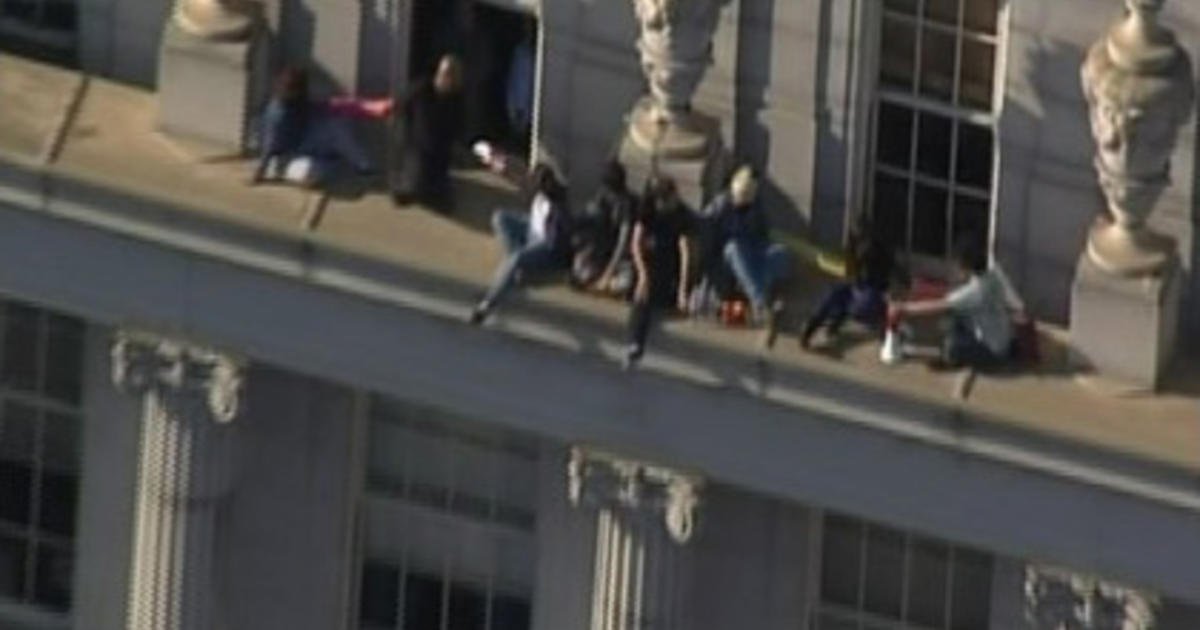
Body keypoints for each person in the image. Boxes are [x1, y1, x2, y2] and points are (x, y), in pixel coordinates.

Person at [469, 156, 572, 324]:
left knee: (516, 259)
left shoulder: (558, 205)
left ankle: (488, 303)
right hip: (531, 229)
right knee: (500, 217)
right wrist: (498, 166)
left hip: (545, 244)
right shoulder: (536, 191)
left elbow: (555, 242)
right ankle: (512, 274)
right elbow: (518, 178)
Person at [887, 237, 1014, 370]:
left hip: (992, 351)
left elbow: (939, 305)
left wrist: (904, 309)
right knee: (956, 318)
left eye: (957, 263)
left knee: (951, 345)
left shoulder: (975, 290)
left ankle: (950, 358)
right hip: (1002, 341)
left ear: (965, 264)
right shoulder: (993, 275)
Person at [251, 67, 392, 187]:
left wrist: (370, 108)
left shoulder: (299, 101)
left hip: (303, 140)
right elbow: (269, 147)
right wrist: (259, 174)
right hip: (283, 158)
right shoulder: (277, 113)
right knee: (307, 171)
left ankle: (365, 168)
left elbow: (332, 106)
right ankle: (328, 163)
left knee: (337, 126)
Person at [701, 165, 790, 341]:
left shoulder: (755, 206)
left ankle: (760, 295)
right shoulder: (719, 206)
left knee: (780, 254)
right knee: (734, 248)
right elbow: (705, 236)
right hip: (727, 258)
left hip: (752, 250)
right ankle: (760, 304)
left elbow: (763, 234)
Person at [625, 176, 695, 369]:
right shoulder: (647, 209)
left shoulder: (682, 215)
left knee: (646, 298)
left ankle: (637, 340)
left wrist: (683, 290)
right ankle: (635, 340)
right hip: (646, 263)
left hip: (666, 266)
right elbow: (635, 243)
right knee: (641, 293)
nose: (668, 205)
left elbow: (685, 253)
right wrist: (642, 274)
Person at [800, 221, 896, 349]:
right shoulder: (868, 248)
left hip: (870, 296)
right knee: (839, 296)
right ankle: (823, 329)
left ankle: (817, 330)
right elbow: (855, 273)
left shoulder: (871, 250)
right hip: (868, 294)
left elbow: (858, 273)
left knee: (839, 299)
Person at [393, 55, 464, 210]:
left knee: (438, 195)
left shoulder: (455, 99)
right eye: (444, 73)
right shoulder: (421, 89)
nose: (446, 79)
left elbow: (456, 126)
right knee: (415, 181)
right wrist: (406, 133)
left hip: (439, 151)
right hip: (417, 146)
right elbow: (401, 106)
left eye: (451, 76)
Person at [570, 160, 636, 296]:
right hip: (600, 251)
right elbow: (590, 223)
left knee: (625, 282)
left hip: (621, 256)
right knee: (579, 267)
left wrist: (609, 272)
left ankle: (604, 283)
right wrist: (586, 251)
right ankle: (598, 281)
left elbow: (622, 243)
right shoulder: (602, 197)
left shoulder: (627, 205)